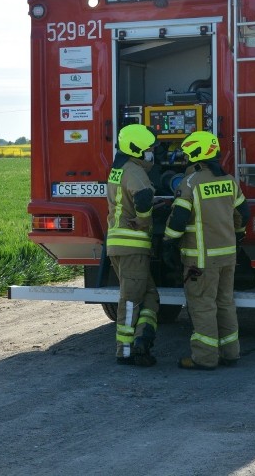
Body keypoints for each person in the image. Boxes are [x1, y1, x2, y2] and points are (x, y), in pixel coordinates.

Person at [162, 131, 249, 370]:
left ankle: (205, 358)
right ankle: (231, 353)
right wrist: (238, 235)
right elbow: (244, 214)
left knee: (203, 306)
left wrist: (168, 243)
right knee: (225, 303)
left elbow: (178, 220)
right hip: (228, 256)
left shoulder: (190, 183)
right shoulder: (230, 180)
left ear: (195, 155)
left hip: (200, 259)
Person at [106, 123, 160, 367]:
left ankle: (142, 340)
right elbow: (143, 197)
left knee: (150, 296)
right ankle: (125, 351)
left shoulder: (118, 169)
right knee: (130, 300)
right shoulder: (135, 171)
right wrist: (144, 220)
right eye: (149, 149)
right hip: (132, 246)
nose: (152, 153)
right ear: (137, 150)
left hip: (119, 245)